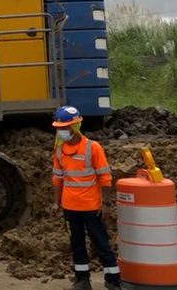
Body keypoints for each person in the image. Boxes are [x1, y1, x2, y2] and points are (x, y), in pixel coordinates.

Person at [51, 105, 121, 290]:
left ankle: (112, 280)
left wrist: (105, 202)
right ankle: (82, 279)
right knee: (77, 243)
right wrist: (56, 202)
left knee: (101, 242)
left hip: (91, 207)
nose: (60, 132)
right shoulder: (59, 151)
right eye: (58, 128)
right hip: (70, 206)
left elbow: (105, 177)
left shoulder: (93, 148)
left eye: (63, 128)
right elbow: (57, 178)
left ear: (73, 128)